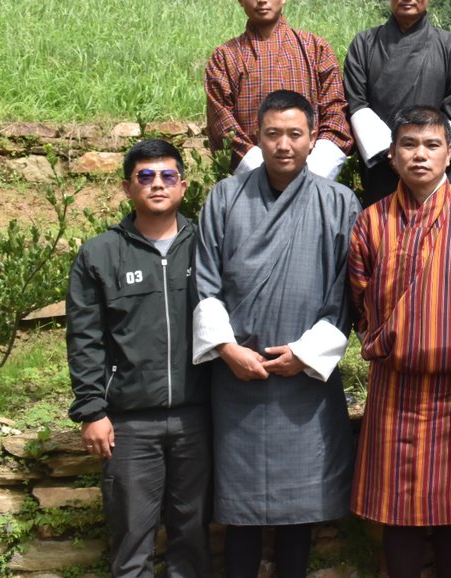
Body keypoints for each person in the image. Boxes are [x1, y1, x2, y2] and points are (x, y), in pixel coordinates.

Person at [192, 90, 359, 578]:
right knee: (239, 507)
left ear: (312, 139)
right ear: (257, 138)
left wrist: (305, 354)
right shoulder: (225, 197)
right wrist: (227, 349)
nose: (284, 144)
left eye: (294, 134)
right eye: (272, 134)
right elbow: (205, 282)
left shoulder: (339, 202)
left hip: (304, 380)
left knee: (298, 510)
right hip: (237, 377)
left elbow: (347, 292)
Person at [348, 106, 451, 578]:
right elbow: (359, 298)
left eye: (432, 145)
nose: (420, 155)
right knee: (397, 509)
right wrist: (389, 340)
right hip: (394, 384)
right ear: (392, 155)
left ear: (449, 153)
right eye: (409, 145)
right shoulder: (371, 221)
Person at [66, 140, 211, 578]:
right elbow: (84, 338)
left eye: (167, 175)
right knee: (131, 543)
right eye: (145, 177)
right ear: (127, 188)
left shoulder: (207, 244)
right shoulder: (100, 253)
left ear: (183, 185)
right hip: (129, 423)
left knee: (193, 539)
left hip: (198, 416)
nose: (157, 184)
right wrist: (92, 410)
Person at [204, 0, 353, 179]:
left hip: (314, 177)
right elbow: (222, 125)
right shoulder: (225, 57)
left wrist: (312, 175)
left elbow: (335, 115)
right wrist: (264, 177)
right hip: (251, 184)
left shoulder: (315, 49)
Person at [343, 0, 451, 204]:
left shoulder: (449, 45)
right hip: (383, 167)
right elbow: (356, 103)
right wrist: (394, 154)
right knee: (384, 227)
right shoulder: (364, 44)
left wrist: (429, 151)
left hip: (434, 167)